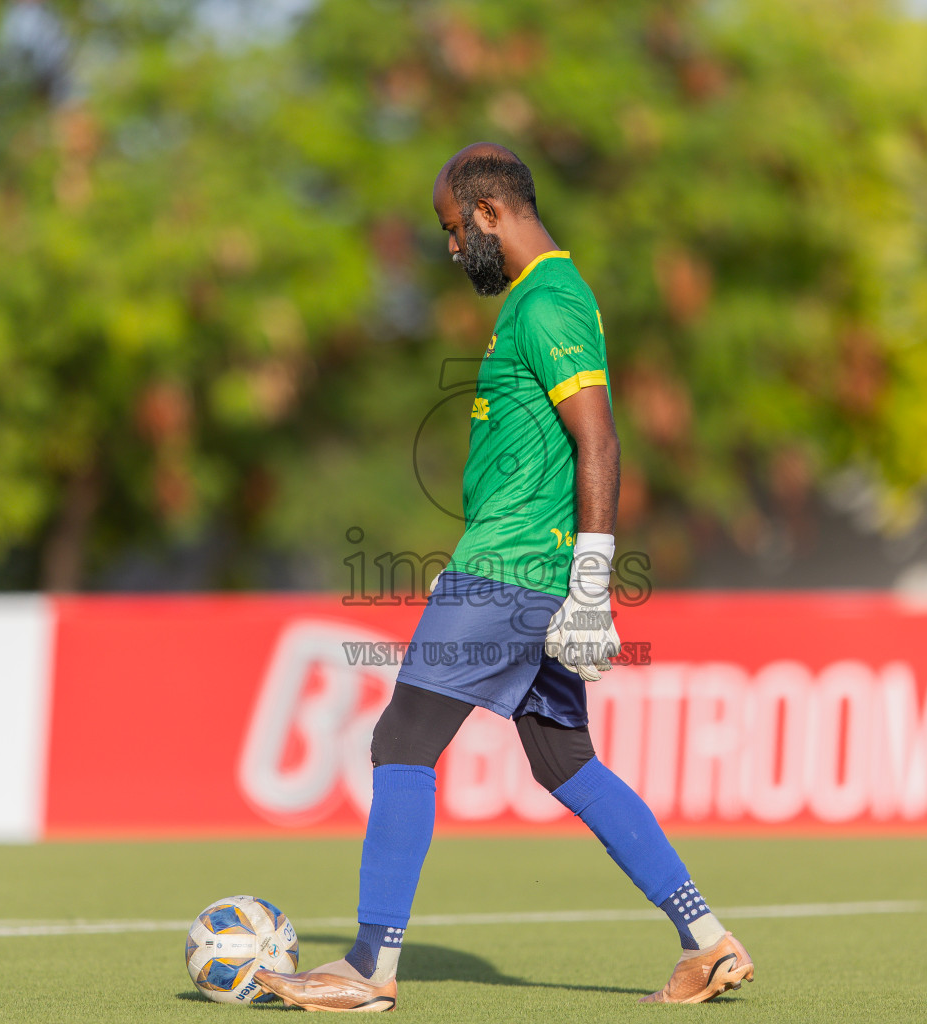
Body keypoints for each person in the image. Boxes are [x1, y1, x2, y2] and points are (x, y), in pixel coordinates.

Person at [254, 143, 754, 1012]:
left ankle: (369, 966)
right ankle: (706, 940)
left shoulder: (551, 300)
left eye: (453, 229)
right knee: (564, 760)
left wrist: (592, 585)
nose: (451, 249)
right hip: (537, 574)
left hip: (508, 569)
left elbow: (599, 439)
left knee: (401, 742)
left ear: (491, 213)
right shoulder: (537, 299)